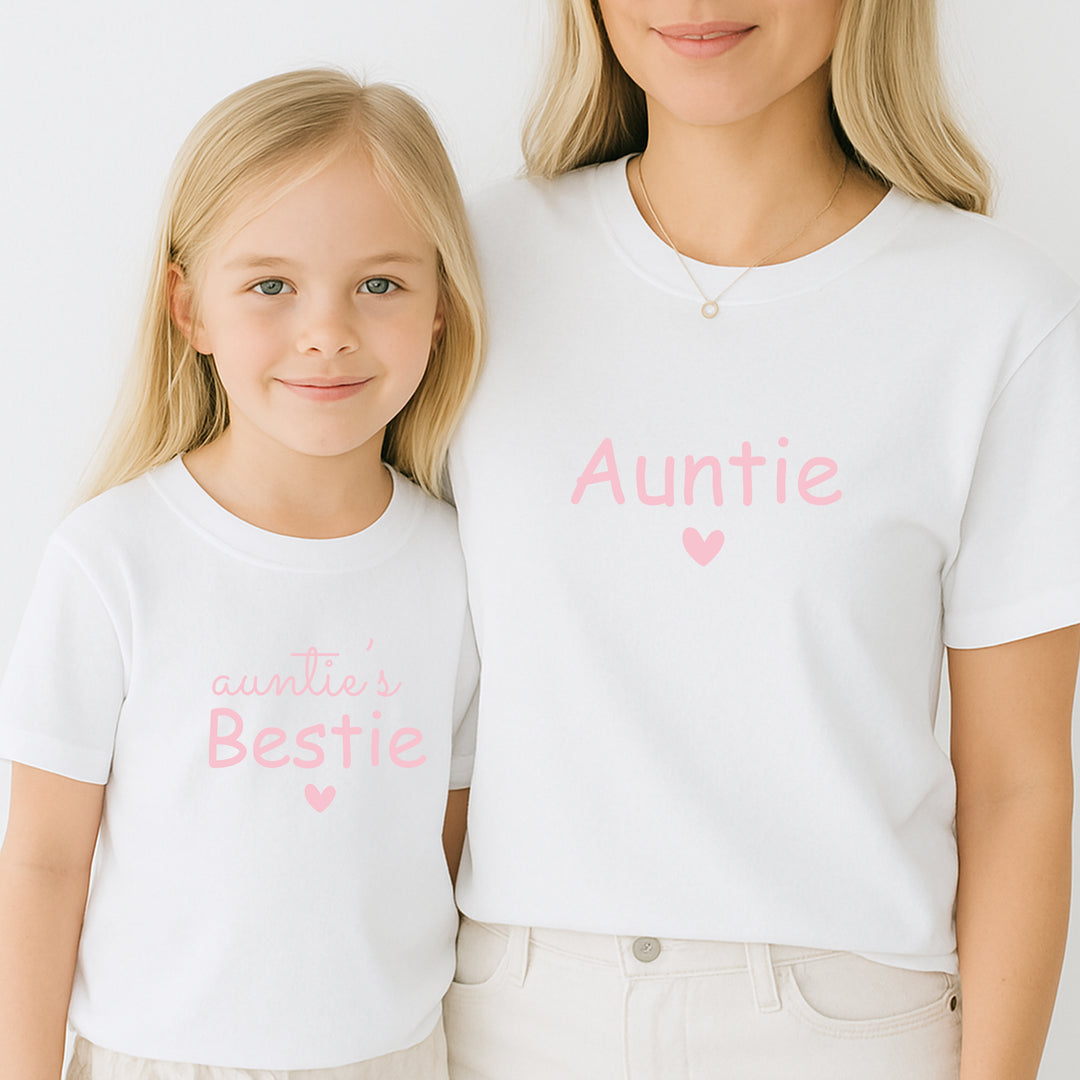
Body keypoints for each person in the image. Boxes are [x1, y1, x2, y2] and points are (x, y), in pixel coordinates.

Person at [445, 1, 1080, 1078]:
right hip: (506, 1010)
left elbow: (1019, 776)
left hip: (850, 1025)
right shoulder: (463, 269)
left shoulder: (996, 316)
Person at [0, 68, 483, 1080]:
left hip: (396, 1059)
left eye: (381, 284)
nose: (327, 330)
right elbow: (44, 861)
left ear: (441, 303)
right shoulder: (112, 560)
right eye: (271, 285)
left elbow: (446, 845)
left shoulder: (461, 568)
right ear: (190, 308)